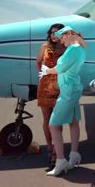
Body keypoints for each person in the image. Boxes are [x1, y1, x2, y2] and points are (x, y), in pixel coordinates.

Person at [41, 26, 86, 176]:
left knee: (53, 125)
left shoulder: (72, 50)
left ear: (69, 35)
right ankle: (74, 154)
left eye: (62, 37)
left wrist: (45, 71)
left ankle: (61, 161)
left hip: (68, 90)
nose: (61, 40)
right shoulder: (78, 48)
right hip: (75, 87)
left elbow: (59, 68)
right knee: (73, 121)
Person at [36, 23, 66, 168]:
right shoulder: (44, 47)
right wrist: (43, 75)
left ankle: (56, 151)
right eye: (53, 33)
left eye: (58, 33)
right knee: (47, 118)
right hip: (46, 86)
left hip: (61, 86)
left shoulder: (67, 48)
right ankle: (49, 148)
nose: (54, 35)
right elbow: (38, 62)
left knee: (57, 120)